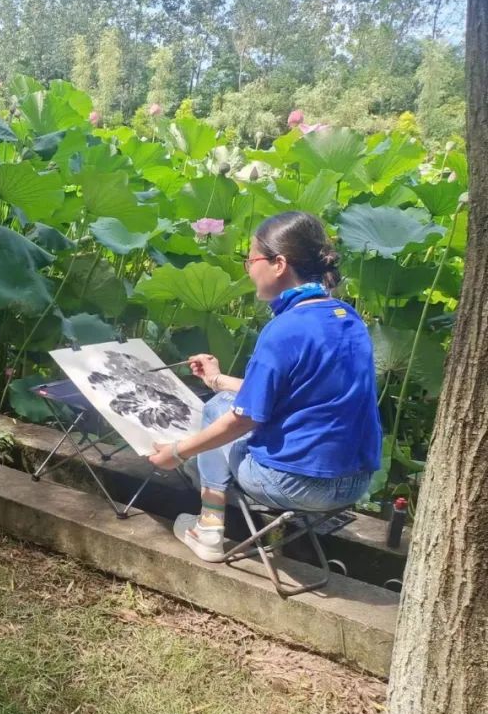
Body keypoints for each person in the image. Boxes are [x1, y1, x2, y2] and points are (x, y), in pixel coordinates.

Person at [148, 211, 382, 561]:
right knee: (223, 399)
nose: (248, 269)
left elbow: (243, 419)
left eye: (251, 259)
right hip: (354, 484)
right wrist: (215, 378)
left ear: (278, 264)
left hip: (294, 485)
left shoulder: (285, 328)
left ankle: (208, 529)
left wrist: (178, 452)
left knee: (217, 410)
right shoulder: (348, 319)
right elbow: (292, 392)